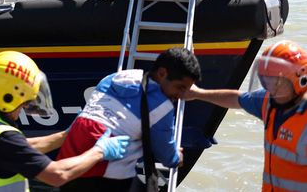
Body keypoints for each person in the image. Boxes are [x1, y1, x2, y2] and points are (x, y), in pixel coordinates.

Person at [0, 50, 131, 190]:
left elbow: (17, 149)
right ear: (7, 97)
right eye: (25, 103)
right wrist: (99, 151)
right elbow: (57, 175)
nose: (24, 107)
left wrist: (66, 135)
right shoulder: (4, 139)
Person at [57, 47, 201, 191]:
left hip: (68, 164)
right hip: (103, 173)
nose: (182, 95)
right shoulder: (162, 106)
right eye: (180, 87)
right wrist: (177, 157)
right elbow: (166, 156)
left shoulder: (112, 78)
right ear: (162, 73)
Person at [185, 40, 307, 191]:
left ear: (300, 81)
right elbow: (236, 98)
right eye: (266, 80)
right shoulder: (269, 103)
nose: (271, 89)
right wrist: (197, 93)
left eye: (277, 82)